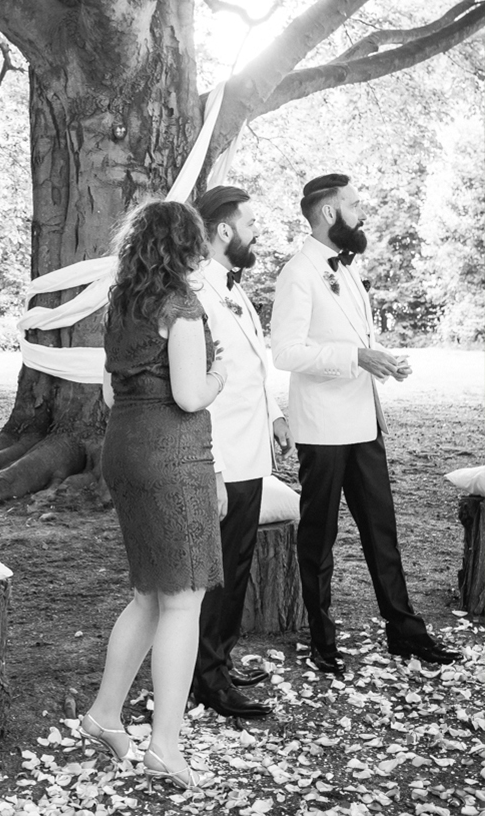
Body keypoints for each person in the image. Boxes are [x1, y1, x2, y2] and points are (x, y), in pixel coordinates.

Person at [271, 173, 461, 670]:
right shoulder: (297, 272)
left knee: (383, 532)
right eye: (354, 205)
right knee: (320, 539)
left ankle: (405, 631)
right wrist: (356, 356)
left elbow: (355, 342)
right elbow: (286, 353)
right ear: (329, 212)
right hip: (323, 428)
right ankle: (322, 640)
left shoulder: (349, 270)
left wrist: (382, 362)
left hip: (364, 421)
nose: (361, 213)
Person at [80, 200, 225, 792]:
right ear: (187, 247)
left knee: (147, 595)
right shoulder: (180, 308)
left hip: (126, 450)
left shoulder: (122, 306)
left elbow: (114, 395)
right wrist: (224, 376)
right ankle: (165, 745)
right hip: (171, 456)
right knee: (182, 602)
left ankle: (104, 715)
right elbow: (191, 396)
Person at [188, 185, 291, 719]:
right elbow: (196, 390)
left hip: (253, 449)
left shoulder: (234, 288)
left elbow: (254, 363)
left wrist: (274, 414)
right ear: (224, 230)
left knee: (239, 563)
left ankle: (219, 660)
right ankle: (205, 678)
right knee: (218, 571)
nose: (255, 232)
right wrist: (216, 468)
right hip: (222, 455)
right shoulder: (197, 292)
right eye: (250, 223)